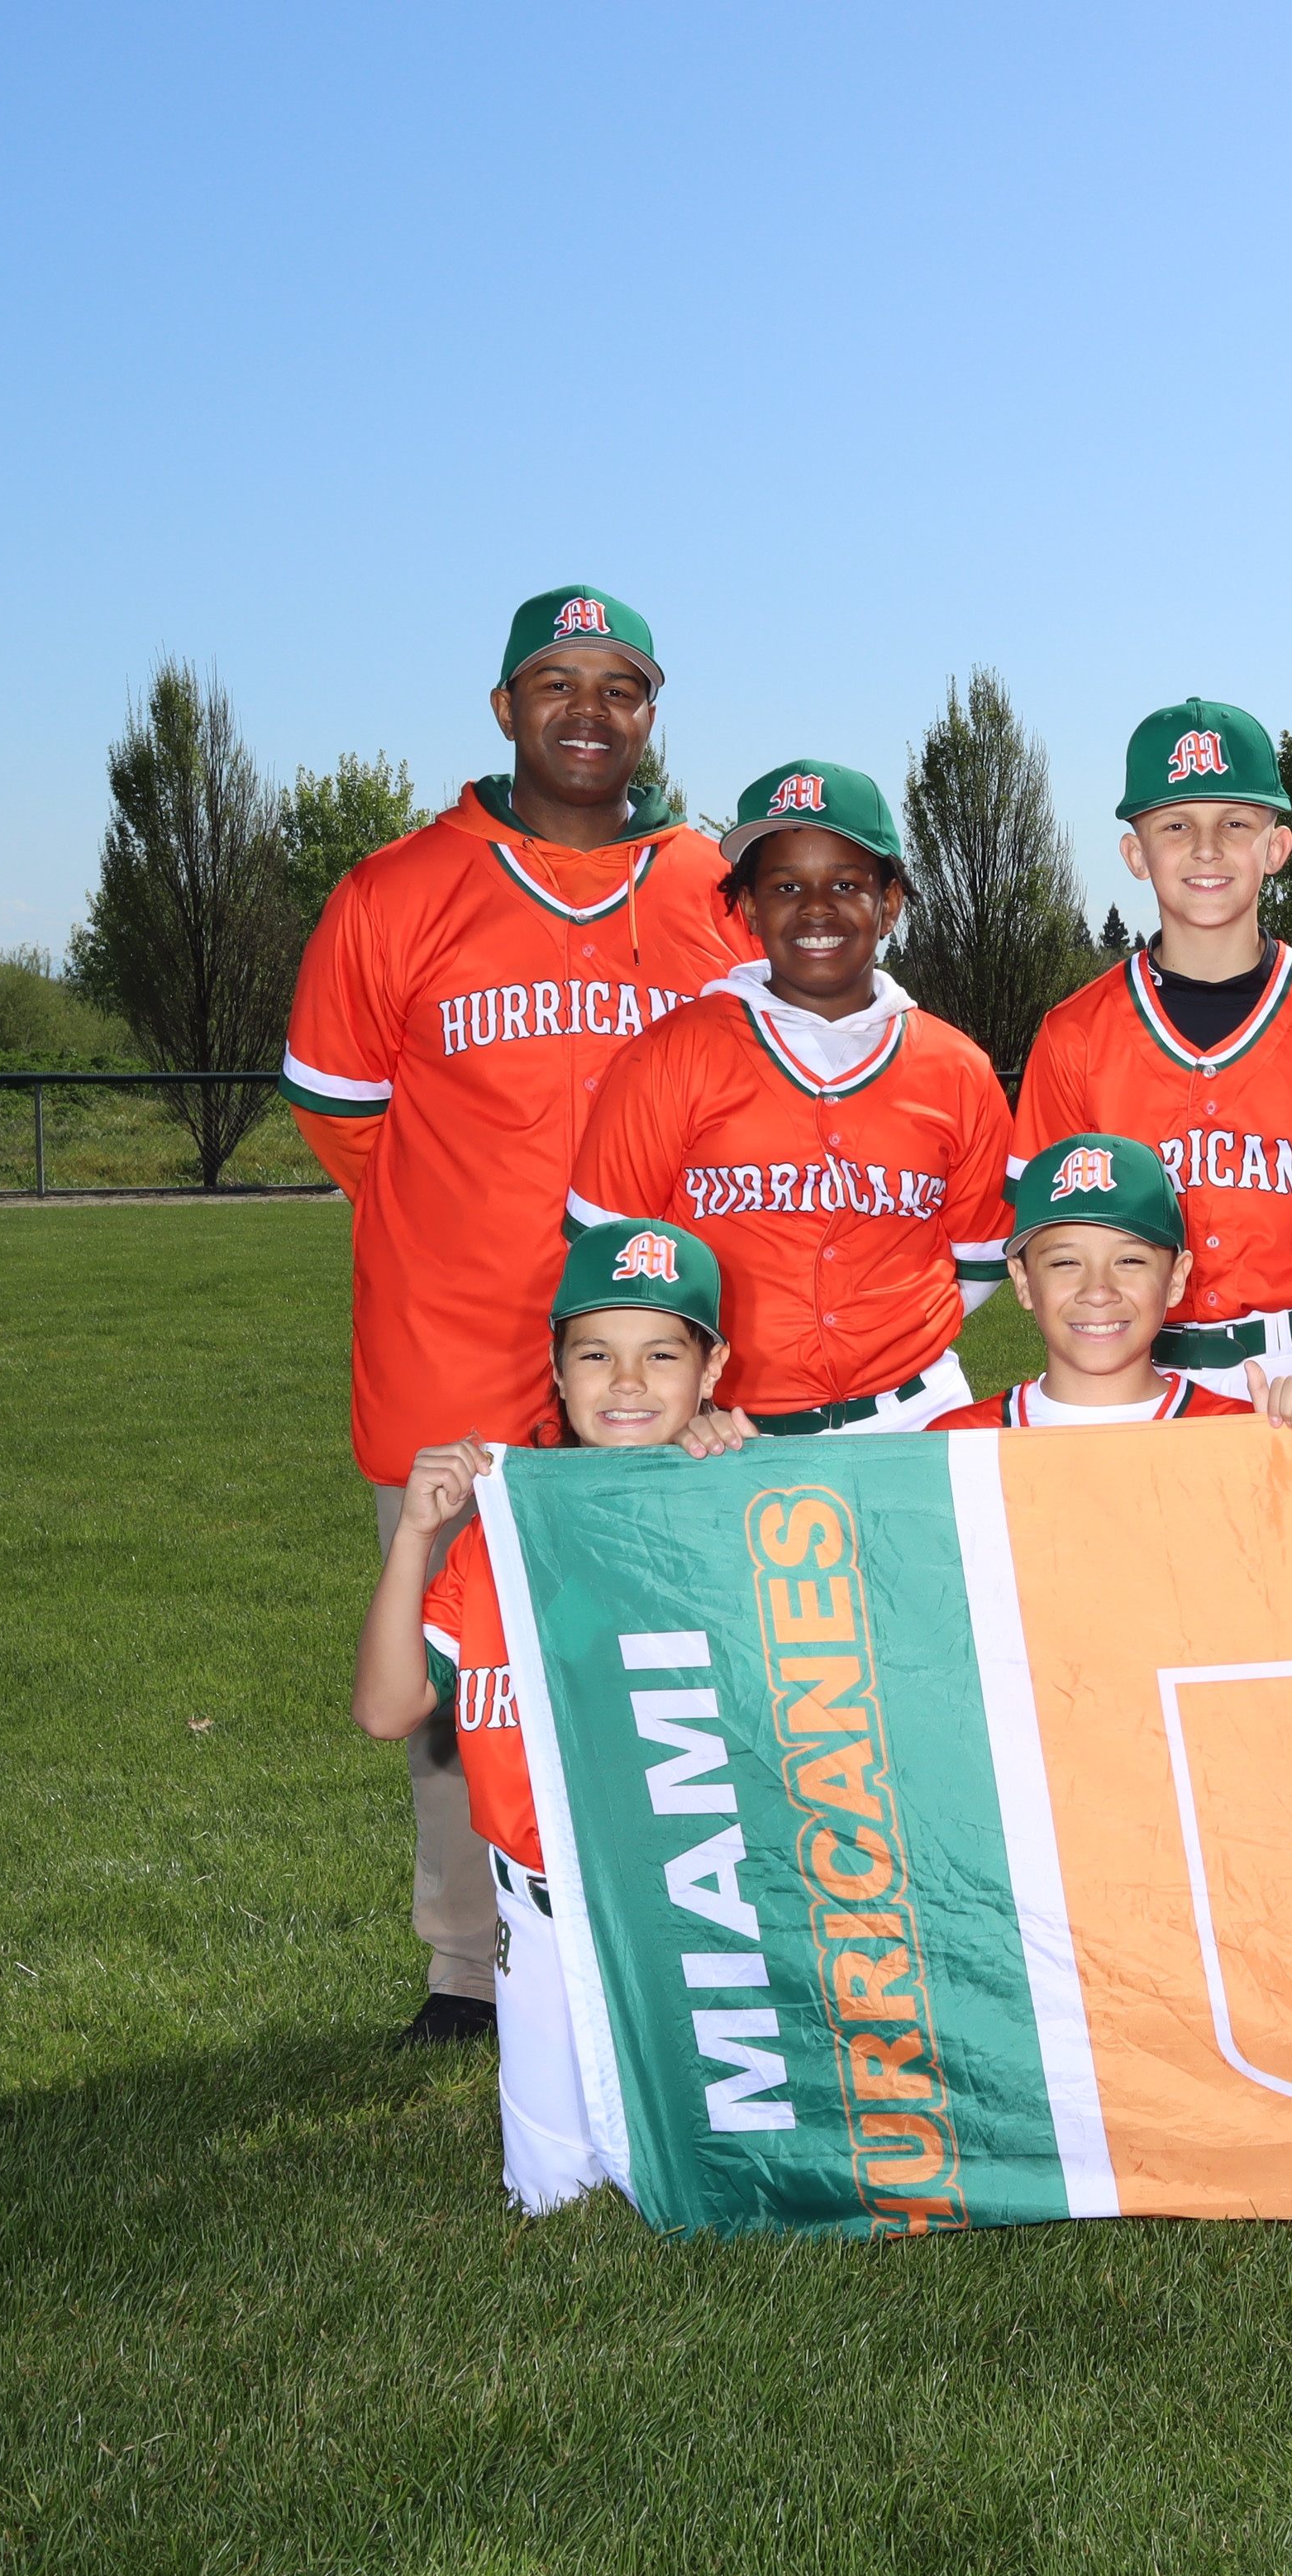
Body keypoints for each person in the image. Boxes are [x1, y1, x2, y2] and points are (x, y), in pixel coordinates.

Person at [283, 584, 749, 2045]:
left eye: (620, 686)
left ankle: (673, 1933)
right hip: (456, 1339)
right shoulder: (394, 891)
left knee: (678, 1644)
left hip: (656, 1350)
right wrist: (461, 1229)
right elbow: (344, 1118)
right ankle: (469, 1966)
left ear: (651, 713)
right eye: (557, 683)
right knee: (454, 1661)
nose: (587, 712)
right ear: (504, 708)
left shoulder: (713, 888)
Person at [351, 1214, 754, 2211]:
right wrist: (416, 1534)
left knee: (730, 2183)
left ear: (712, 1370)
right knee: (554, 2195)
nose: (628, 1380)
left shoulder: (739, 1500)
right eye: (597, 1353)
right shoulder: (502, 1528)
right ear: (557, 1371)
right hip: (539, 1915)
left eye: (663, 1353)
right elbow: (387, 1709)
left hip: (697, 1912)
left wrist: (753, 1470)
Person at [565, 760, 1011, 1435]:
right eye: (786, 886)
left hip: (919, 1416)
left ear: (890, 903)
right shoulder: (667, 1056)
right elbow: (609, 1260)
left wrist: (885, 1343)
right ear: (749, 907)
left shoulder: (957, 1068)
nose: (816, 907)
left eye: (846, 884)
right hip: (725, 1428)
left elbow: (976, 1263)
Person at [1011, 699, 1292, 1411]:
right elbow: (1048, 1246)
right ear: (1136, 854)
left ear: (1276, 848)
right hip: (1127, 1370)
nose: (1206, 848)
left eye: (1235, 823)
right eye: (1176, 825)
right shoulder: (1074, 1034)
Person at [927, 1132, 1292, 1433]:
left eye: (1130, 1260)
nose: (1098, 1290)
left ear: (1176, 1279)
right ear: (1022, 1280)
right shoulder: (957, 1441)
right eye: (1065, 1262)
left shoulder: (1241, 1433)